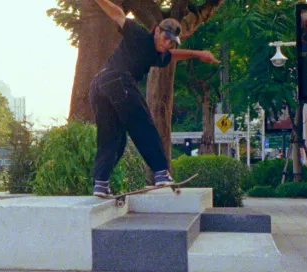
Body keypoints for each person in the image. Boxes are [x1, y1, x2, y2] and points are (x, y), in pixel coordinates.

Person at [89, 0, 219, 197]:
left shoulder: (159, 53)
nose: (166, 44)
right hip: (117, 79)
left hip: (99, 87)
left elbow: (173, 55)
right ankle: (160, 172)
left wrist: (198, 54)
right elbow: (117, 14)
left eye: (170, 42)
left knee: (113, 138)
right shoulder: (139, 35)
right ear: (157, 31)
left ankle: (100, 182)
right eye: (165, 38)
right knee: (142, 123)